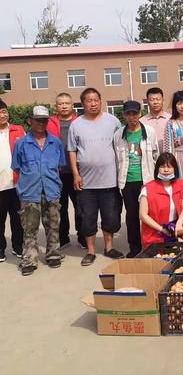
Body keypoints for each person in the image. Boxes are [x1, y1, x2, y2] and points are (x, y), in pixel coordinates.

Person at [68, 88, 123, 266]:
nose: (93, 104)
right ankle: (90, 251)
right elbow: (72, 150)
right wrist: (76, 174)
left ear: (100, 100)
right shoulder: (76, 124)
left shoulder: (113, 121)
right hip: (87, 183)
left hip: (110, 180)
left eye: (95, 100)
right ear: (82, 103)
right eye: (88, 101)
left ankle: (109, 248)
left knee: (111, 217)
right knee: (87, 218)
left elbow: (121, 145)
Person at [11, 106, 65, 276]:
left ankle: (53, 254)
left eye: (44, 120)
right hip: (29, 191)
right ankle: (29, 259)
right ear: (30, 121)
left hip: (51, 189)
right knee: (29, 228)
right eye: (38, 120)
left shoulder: (55, 142)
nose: (41, 123)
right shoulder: (21, 143)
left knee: (53, 225)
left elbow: (60, 166)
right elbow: (17, 167)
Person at [114, 100, 158, 258]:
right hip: (127, 181)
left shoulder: (150, 132)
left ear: (140, 114)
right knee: (132, 216)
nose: (132, 117)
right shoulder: (119, 134)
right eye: (128, 114)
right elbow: (116, 159)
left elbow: (155, 155)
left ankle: (151, 246)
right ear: (124, 115)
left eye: (135, 113)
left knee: (149, 215)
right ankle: (135, 248)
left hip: (146, 181)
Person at [47, 92, 86, 249]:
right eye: (60, 103)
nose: (64, 106)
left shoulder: (80, 122)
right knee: (59, 208)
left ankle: (82, 238)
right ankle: (63, 238)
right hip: (57, 174)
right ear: (56, 106)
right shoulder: (49, 123)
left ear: (72, 105)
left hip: (77, 173)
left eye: (67, 103)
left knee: (80, 207)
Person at [139, 152, 183, 246]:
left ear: (175, 169)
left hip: (173, 227)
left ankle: (180, 244)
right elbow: (143, 215)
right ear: (157, 169)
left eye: (169, 167)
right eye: (162, 167)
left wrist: (179, 223)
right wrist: (162, 229)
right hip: (156, 231)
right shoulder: (147, 188)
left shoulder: (181, 184)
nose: (166, 170)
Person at [0, 99, 25, 262]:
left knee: (17, 219)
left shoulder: (18, 130)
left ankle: (18, 247)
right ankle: (0, 249)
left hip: (16, 183)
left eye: (4, 111)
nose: (2, 115)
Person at [139, 87, 171, 153]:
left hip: (168, 158)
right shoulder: (141, 121)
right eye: (152, 99)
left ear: (163, 101)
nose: (155, 102)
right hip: (149, 159)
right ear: (147, 102)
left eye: (158, 99)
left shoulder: (171, 119)